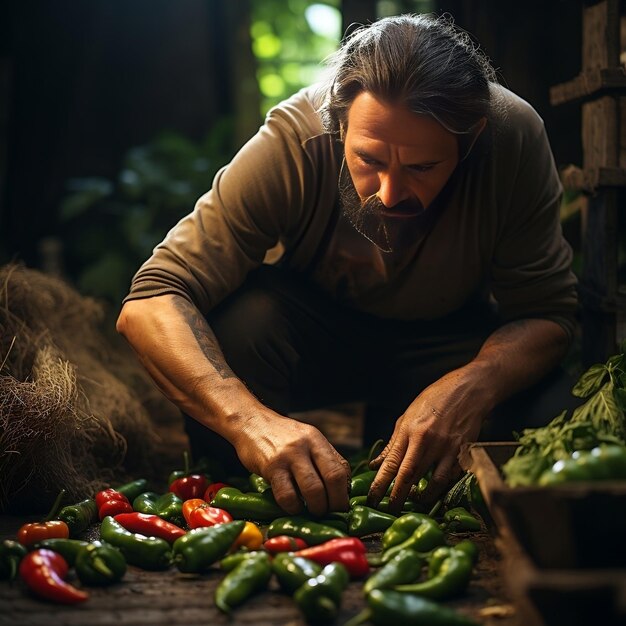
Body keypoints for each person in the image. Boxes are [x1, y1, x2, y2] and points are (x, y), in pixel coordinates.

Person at [116, 13, 578, 517]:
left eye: (422, 167)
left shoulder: (513, 137)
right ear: (339, 127)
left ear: (471, 138)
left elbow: (549, 316)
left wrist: (473, 386)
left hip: (446, 344)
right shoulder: (294, 138)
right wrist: (249, 422)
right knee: (242, 324)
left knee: (558, 406)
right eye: (369, 161)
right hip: (312, 338)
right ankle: (234, 484)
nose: (390, 194)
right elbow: (150, 300)